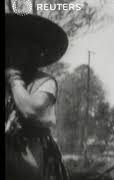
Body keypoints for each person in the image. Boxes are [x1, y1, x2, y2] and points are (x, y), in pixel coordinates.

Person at [5, 13, 69, 180]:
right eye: (12, 44)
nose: (16, 50)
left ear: (35, 51)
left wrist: (14, 79)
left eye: (24, 45)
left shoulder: (45, 81)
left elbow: (32, 111)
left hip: (34, 159)